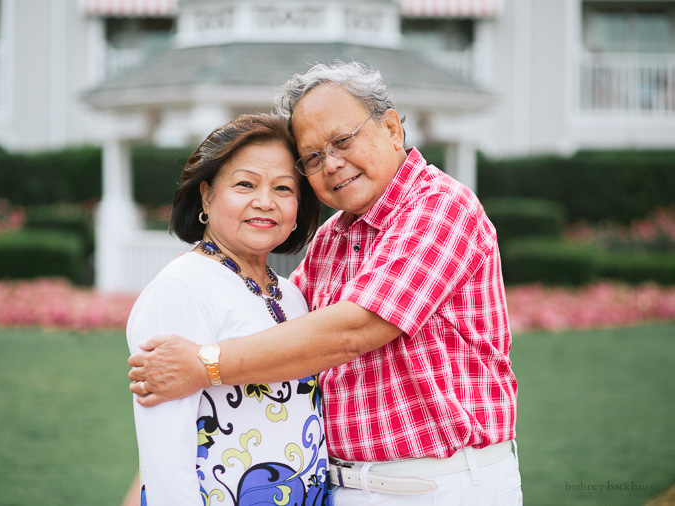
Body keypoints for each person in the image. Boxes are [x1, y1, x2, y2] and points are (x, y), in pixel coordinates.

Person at [128, 61, 521, 505]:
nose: (331, 164)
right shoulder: (330, 243)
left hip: (439, 486)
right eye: (313, 157)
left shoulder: (440, 208)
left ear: (392, 127)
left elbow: (353, 330)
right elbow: (272, 342)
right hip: (338, 489)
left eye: (342, 141)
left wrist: (204, 365)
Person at [125, 113, 331, 505]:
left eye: (284, 188)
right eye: (245, 184)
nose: (265, 202)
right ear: (206, 194)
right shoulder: (181, 289)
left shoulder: (293, 296)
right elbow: (166, 457)